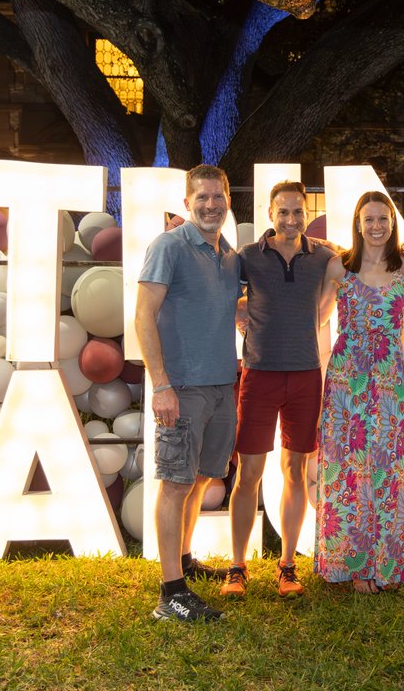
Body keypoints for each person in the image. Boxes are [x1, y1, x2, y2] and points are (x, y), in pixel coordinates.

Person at [135, 164, 240, 623]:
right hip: (181, 389)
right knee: (177, 482)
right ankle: (170, 593)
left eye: (217, 197)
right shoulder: (169, 247)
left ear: (228, 201)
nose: (210, 205)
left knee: (199, 478)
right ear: (187, 203)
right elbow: (142, 316)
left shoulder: (229, 255)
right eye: (201, 198)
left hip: (221, 385)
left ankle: (185, 559)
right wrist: (161, 384)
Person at [222, 182, 335, 599]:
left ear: (307, 214)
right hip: (259, 375)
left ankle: (287, 566)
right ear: (270, 214)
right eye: (283, 212)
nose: (290, 219)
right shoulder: (248, 257)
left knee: (295, 471)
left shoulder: (323, 255)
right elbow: (219, 295)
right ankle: (237, 567)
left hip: (306, 375)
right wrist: (239, 311)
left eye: (298, 213)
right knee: (248, 474)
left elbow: (369, 254)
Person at [315, 191, 404, 594]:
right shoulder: (339, 267)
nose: (377, 226)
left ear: (393, 223)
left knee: (388, 466)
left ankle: (387, 564)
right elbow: (317, 317)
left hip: (389, 377)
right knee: (347, 467)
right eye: (369, 219)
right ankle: (354, 565)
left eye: (384, 219)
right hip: (347, 377)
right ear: (358, 224)